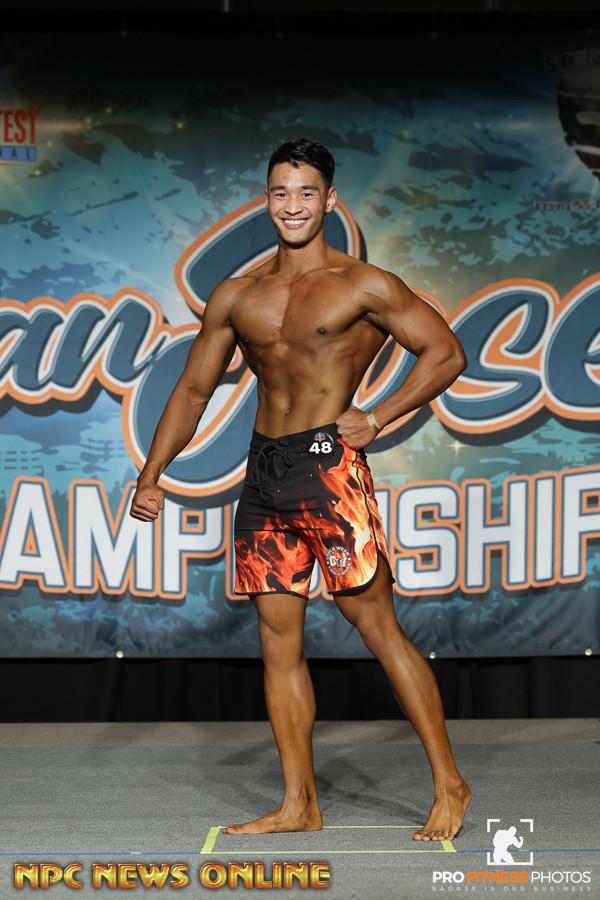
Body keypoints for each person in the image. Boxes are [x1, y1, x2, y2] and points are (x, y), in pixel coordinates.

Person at [130, 137, 471, 840]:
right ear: (267, 200)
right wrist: (152, 473)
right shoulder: (237, 295)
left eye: (307, 192)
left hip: (330, 472)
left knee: (376, 627)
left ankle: (451, 783)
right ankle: (299, 804)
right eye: (281, 192)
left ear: (329, 200)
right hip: (264, 474)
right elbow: (193, 389)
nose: (293, 205)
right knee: (277, 640)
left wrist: (379, 415)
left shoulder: (364, 285)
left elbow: (446, 352)